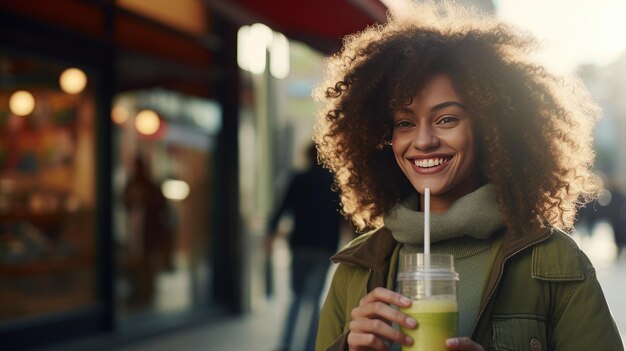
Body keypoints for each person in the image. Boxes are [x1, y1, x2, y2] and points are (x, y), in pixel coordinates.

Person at [313, 2, 624, 350]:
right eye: (405, 123)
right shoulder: (356, 266)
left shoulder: (554, 261)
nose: (424, 141)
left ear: (492, 130)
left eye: (447, 119)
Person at [267, 143, 345, 351]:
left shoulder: (298, 178)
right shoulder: (335, 182)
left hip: (300, 245)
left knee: (297, 297)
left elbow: (282, 208)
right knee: (314, 298)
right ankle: (311, 345)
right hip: (324, 247)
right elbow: (346, 217)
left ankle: (286, 343)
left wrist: (271, 233)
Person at [122, 154, 174, 310]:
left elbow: (162, 209)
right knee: (135, 263)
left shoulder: (152, 187)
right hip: (134, 231)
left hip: (150, 233)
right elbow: (124, 202)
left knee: (148, 265)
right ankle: (137, 292)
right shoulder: (132, 185)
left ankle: (147, 294)